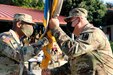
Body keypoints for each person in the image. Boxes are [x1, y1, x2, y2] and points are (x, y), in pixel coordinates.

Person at [41, 8, 113, 75]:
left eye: (70, 21)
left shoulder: (93, 33)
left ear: (78, 19)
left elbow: (72, 50)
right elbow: (71, 66)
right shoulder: (80, 39)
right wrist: (51, 72)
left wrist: (56, 29)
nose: (68, 24)